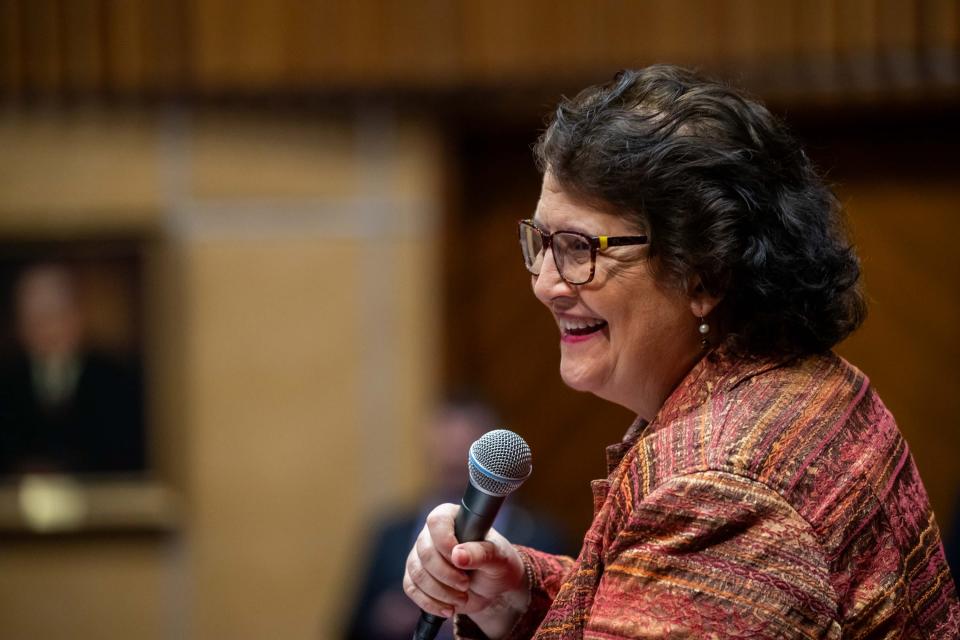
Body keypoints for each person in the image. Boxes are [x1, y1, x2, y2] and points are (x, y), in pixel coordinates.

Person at [403, 66, 960, 638]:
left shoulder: (720, 489)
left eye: (577, 248)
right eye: (541, 243)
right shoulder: (802, 387)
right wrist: (523, 597)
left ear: (704, 275)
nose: (546, 282)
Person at [345, 392, 569, 640]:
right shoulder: (390, 532)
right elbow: (352, 626)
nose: (452, 450)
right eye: (445, 436)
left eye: (463, 438)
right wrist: (383, 616)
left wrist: (486, 614)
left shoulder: (542, 535)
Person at [0, 263, 145, 476]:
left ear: (78, 315)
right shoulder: (7, 382)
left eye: (54, 313)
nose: (46, 327)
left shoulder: (118, 380)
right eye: (35, 318)